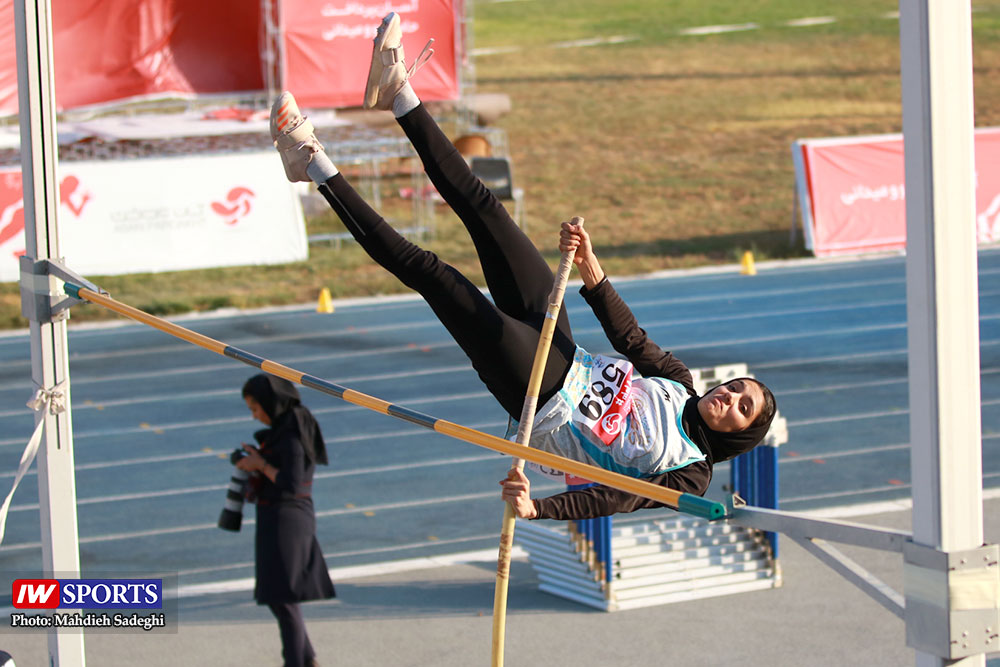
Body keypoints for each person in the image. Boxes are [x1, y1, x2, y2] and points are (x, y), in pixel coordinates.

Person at [268, 12, 776, 523]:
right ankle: (398, 92)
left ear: (743, 432)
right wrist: (589, 265)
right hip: (564, 349)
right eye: (737, 389)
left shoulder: (690, 472)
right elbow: (630, 338)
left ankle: (308, 159)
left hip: (542, 396)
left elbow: (616, 497)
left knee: (436, 276)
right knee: (484, 209)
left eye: (742, 408)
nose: (730, 399)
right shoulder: (679, 382)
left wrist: (539, 509)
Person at [236, 374, 334, 667]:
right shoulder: (284, 427)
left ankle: (296, 661)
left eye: (255, 408)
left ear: (270, 401)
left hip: (288, 521)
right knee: (280, 599)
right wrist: (258, 457)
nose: (255, 416)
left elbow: (292, 482)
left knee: (283, 599)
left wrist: (259, 464)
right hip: (278, 518)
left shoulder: (292, 433)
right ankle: (308, 660)